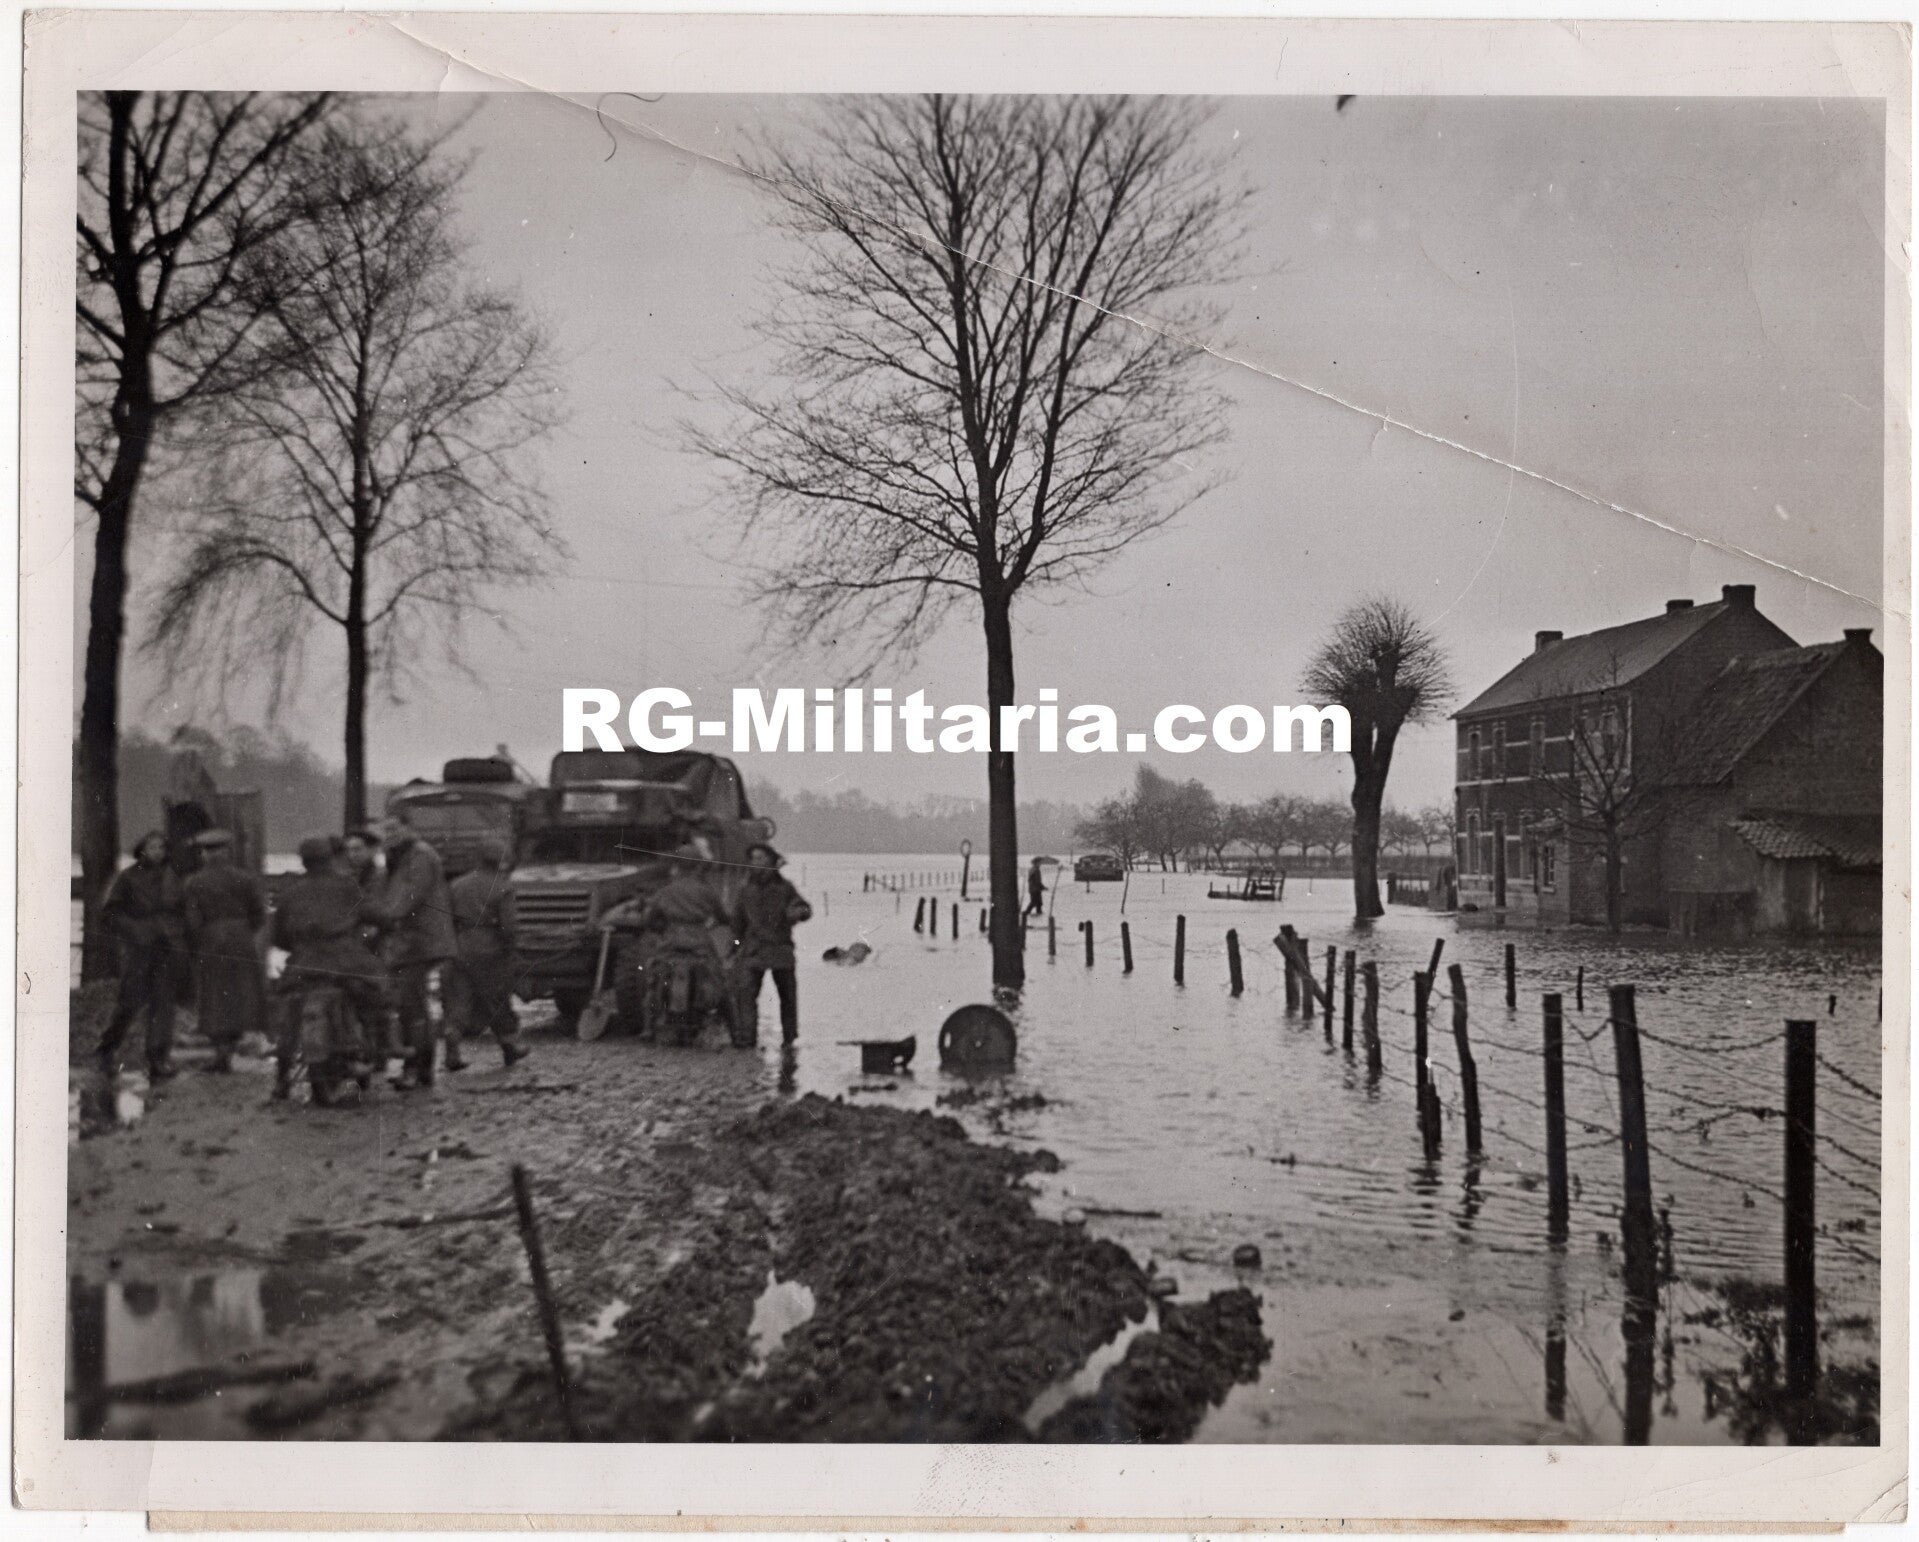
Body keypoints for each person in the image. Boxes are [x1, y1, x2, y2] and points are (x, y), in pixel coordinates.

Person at [271, 836, 388, 1101]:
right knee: (375, 994)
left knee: (290, 1008)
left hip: (304, 962)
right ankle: (374, 1048)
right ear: (329, 858)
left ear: (304, 861)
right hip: (345, 960)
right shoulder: (346, 885)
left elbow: (278, 935)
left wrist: (298, 945)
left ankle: (281, 1077)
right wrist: (385, 923)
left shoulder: (291, 891)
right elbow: (374, 914)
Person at [367, 808, 457, 1089]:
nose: (390, 836)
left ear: (409, 828)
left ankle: (417, 1067)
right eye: (386, 831)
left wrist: (383, 920)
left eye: (395, 829)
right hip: (408, 942)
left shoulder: (420, 856)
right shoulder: (398, 858)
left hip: (421, 942)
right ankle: (419, 1068)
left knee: (411, 1004)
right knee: (410, 1004)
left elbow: (409, 896)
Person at [95, 831, 188, 1081]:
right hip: (138, 951)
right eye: (152, 847)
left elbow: (183, 911)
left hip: (166, 949)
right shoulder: (127, 878)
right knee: (129, 1003)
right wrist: (135, 929)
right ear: (141, 850)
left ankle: (158, 1060)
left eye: (161, 847)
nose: (157, 851)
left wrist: (176, 931)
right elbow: (110, 914)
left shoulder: (173, 878)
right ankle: (106, 1049)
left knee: (163, 1005)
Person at [180, 829, 267, 1072]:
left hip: (212, 939)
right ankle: (229, 1049)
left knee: (215, 995)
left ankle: (221, 1053)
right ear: (227, 852)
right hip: (241, 939)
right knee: (240, 993)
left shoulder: (194, 882)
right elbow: (259, 914)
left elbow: (192, 920)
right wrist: (243, 931)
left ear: (204, 854)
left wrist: (198, 943)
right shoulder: (245, 878)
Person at [444, 838, 528, 1070]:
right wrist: (511, 951)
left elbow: (447, 919)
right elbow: (509, 927)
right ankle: (511, 1047)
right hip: (490, 951)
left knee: (459, 1001)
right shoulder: (503, 887)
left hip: (460, 948)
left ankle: (452, 1043)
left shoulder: (456, 885)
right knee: (498, 1000)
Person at [730, 843, 813, 1046]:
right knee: (747, 996)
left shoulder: (785, 888)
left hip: (780, 949)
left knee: (787, 996)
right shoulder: (745, 890)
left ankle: (790, 1039)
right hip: (755, 950)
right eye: (753, 859)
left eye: (761, 858)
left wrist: (799, 912)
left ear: (771, 861)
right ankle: (747, 1039)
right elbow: (737, 923)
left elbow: (803, 908)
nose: (756, 863)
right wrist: (736, 946)